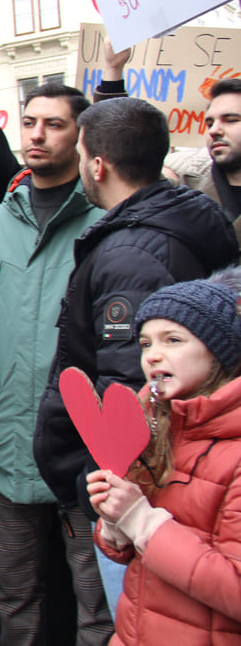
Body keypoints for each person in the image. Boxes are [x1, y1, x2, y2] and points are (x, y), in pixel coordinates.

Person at [32, 97, 236, 612]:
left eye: (80, 153)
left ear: (96, 164)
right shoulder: (157, 228)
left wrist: (103, 485)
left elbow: (134, 386)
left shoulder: (134, 254)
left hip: (145, 489)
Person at [0, 77, 114, 645]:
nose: (37, 135)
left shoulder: (106, 224)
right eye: (29, 122)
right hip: (6, 438)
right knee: (16, 596)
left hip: (87, 451)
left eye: (54, 124)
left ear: (81, 134)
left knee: (99, 603)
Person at [88, 269, 241, 644]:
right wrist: (114, 523)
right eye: (144, 344)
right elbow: (131, 556)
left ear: (220, 349)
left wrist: (141, 520)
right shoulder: (156, 426)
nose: (154, 355)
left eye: (173, 340)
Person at [182, 77, 241, 253]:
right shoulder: (182, 192)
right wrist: (113, 72)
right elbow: (120, 151)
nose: (214, 130)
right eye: (209, 123)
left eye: (230, 120)